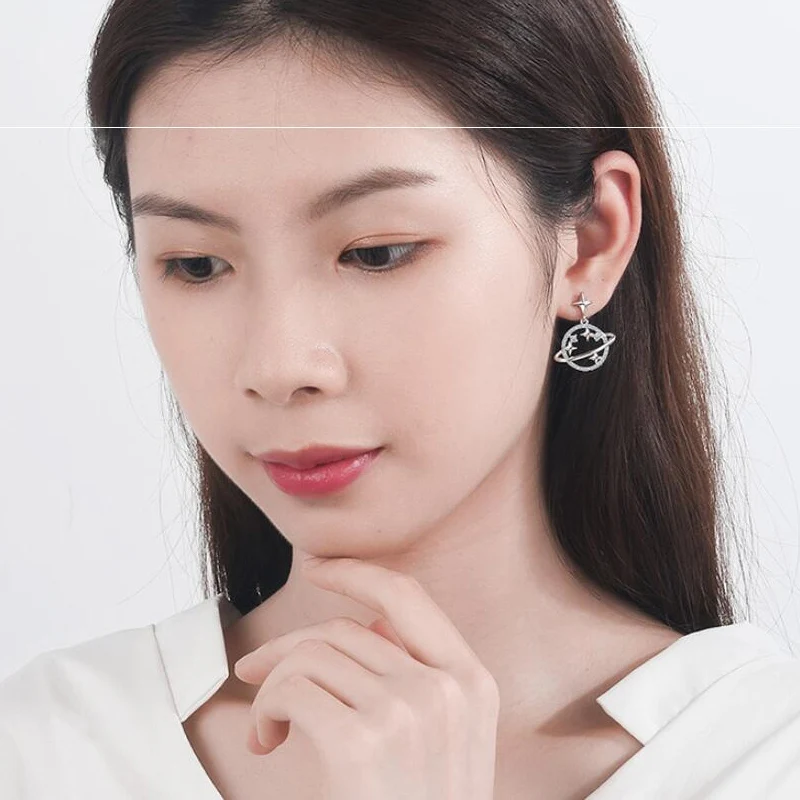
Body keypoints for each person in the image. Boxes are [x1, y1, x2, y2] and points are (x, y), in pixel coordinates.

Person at [2, 0, 798, 797]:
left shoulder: (762, 761)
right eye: (197, 265)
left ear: (589, 241)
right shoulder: (46, 750)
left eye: (376, 253)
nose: (279, 366)